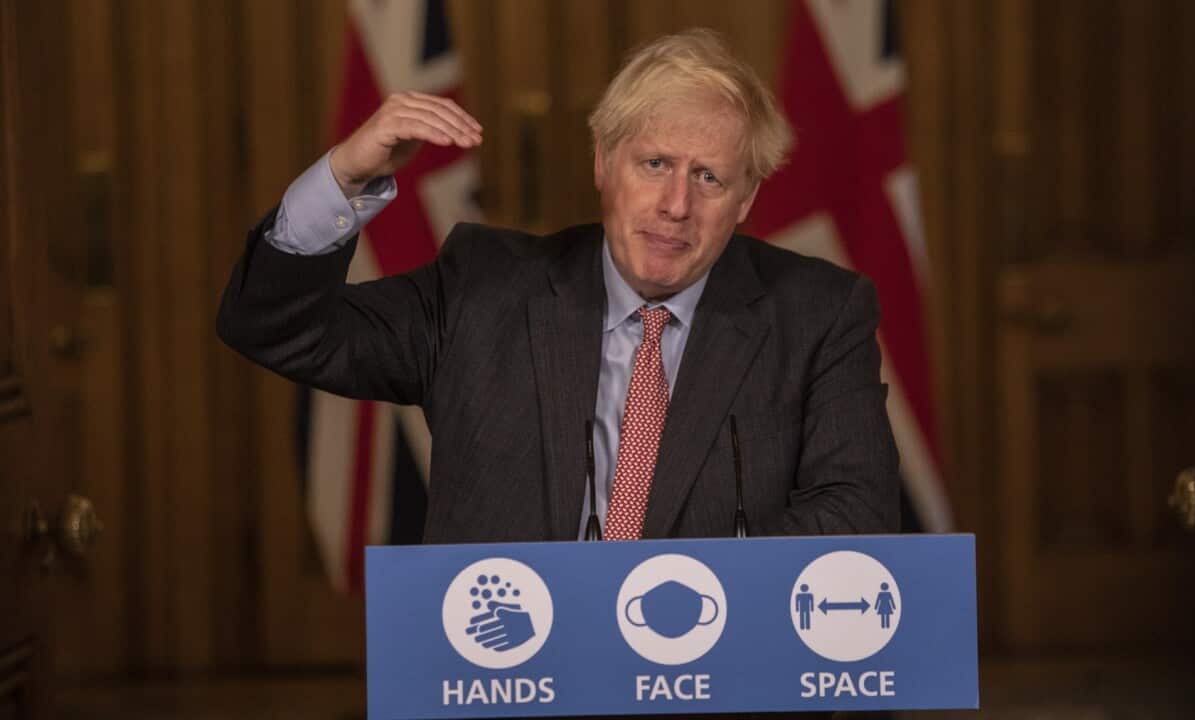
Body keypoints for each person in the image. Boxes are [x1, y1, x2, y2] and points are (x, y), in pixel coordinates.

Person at [217, 29, 901, 545]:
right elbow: (274, 326)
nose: (674, 204)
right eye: (655, 162)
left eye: (709, 178)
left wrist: (664, 604)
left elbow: (855, 513)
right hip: (510, 682)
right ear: (604, 163)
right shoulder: (482, 290)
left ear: (746, 197)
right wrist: (346, 176)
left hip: (711, 683)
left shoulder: (817, 314)